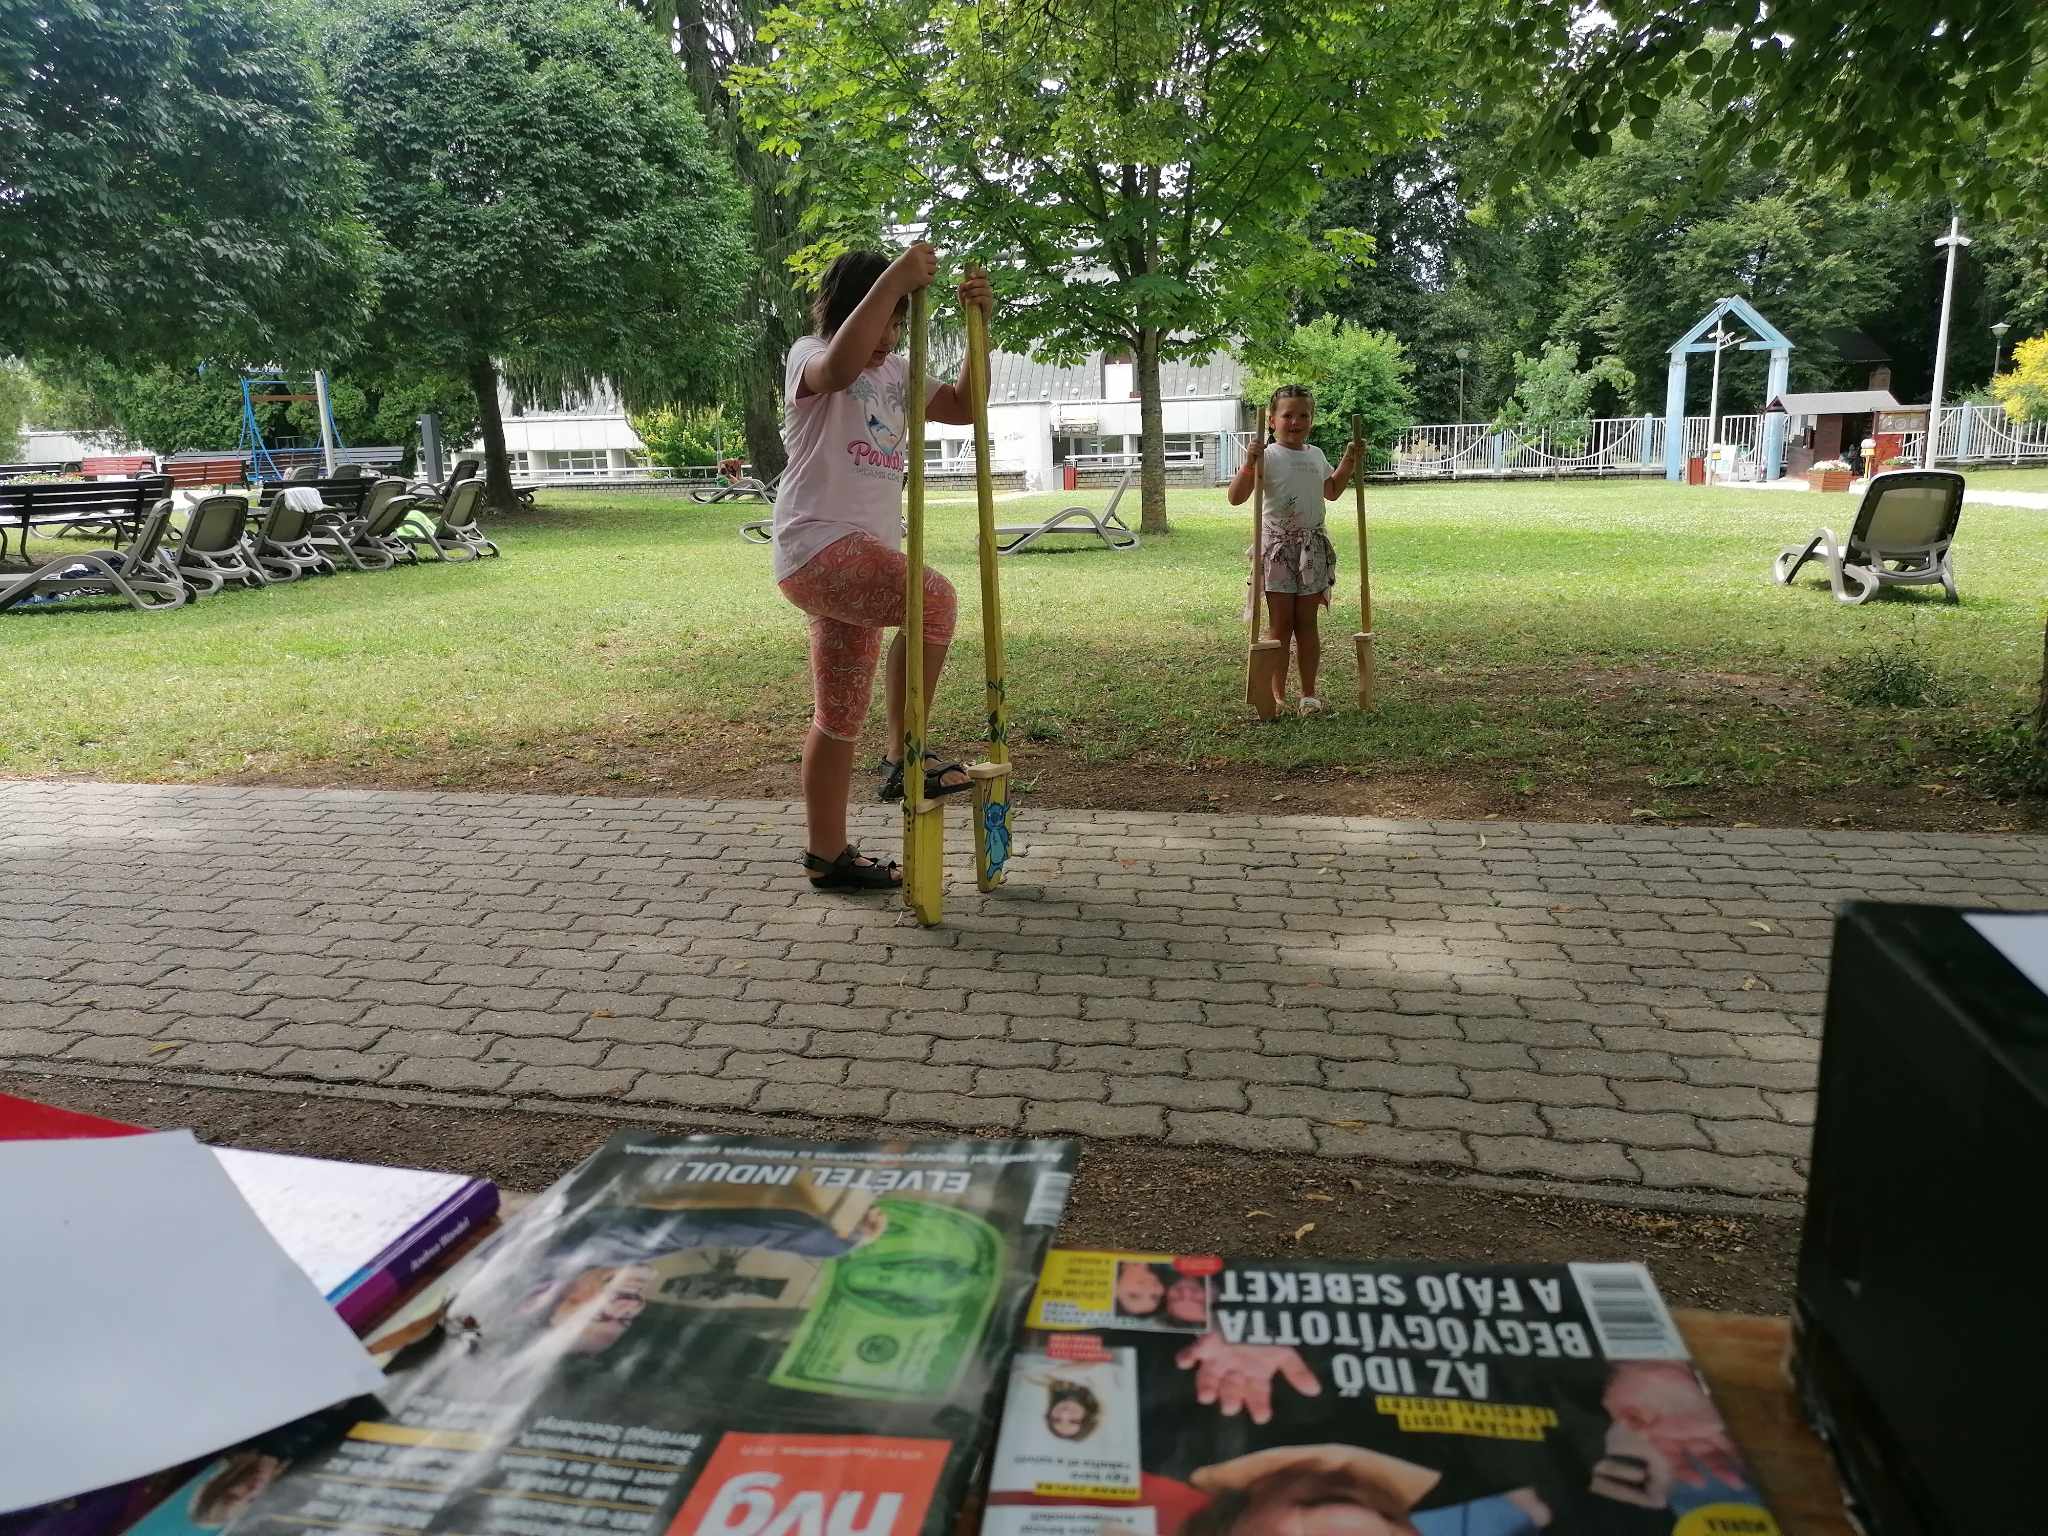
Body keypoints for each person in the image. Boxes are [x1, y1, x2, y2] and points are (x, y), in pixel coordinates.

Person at [772, 243, 995, 891]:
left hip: (858, 557)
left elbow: (965, 407)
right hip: (818, 545)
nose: (889, 336)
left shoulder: (899, 372)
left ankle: (827, 855)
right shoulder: (810, 355)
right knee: (935, 599)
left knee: (839, 711)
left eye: (900, 322)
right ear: (844, 312)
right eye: (882, 318)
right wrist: (896, 277)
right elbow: (840, 367)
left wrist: (979, 329)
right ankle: (905, 758)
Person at [1226, 386, 1362, 718]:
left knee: (1307, 624)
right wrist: (1249, 464)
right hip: (1278, 551)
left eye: (1304, 415)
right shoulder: (1267, 456)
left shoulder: (1315, 456)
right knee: (1280, 625)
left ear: (1312, 420)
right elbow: (1236, 497)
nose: (1296, 421)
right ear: (1272, 421)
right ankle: (1277, 695)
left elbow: (1331, 490)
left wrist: (1349, 460)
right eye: (1287, 415)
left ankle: (1309, 695)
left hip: (1311, 550)